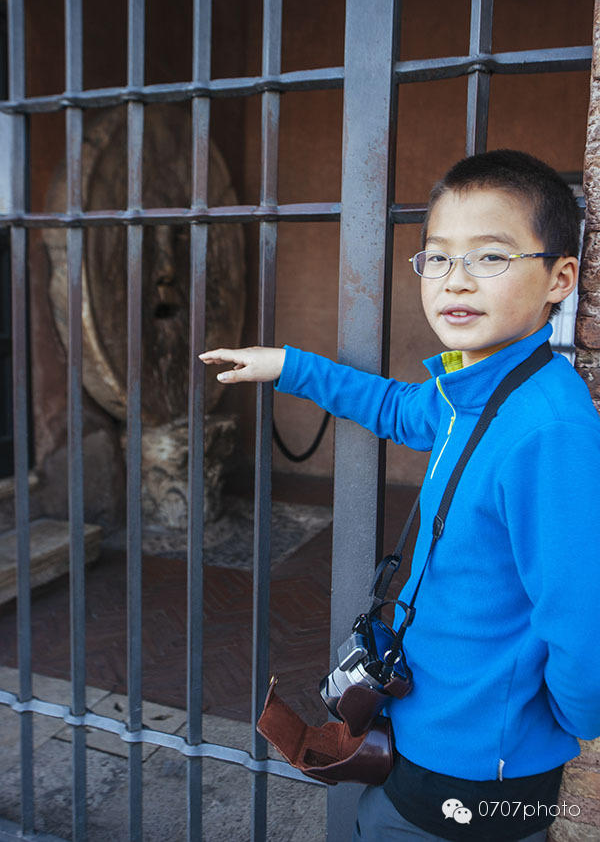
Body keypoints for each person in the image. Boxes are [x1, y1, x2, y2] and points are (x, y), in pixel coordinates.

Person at [199, 150, 600, 841]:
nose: (456, 280)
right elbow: (394, 407)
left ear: (560, 277)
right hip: (429, 727)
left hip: (481, 765)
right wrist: (287, 366)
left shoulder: (549, 429)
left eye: (491, 257)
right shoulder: (471, 392)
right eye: (438, 258)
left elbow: (582, 623)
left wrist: (562, 723)